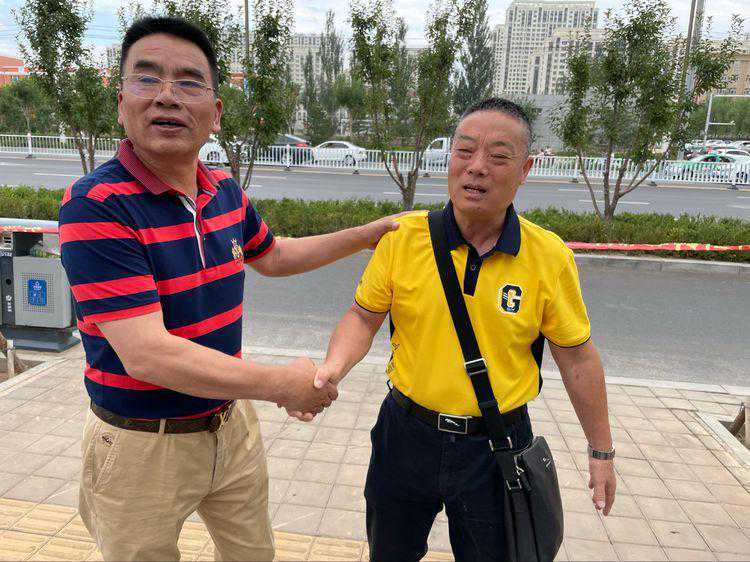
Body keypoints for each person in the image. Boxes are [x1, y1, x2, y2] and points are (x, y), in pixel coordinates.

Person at [58, 16, 399, 562]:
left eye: (188, 81)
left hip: (229, 426)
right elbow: (148, 355)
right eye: (147, 77)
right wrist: (282, 384)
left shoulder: (223, 190)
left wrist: (367, 234)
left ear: (215, 112)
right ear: (121, 101)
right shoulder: (97, 205)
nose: (167, 96)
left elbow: (275, 256)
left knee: (252, 554)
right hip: (141, 445)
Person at [307, 98, 617, 561]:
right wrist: (333, 367)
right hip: (405, 434)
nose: (476, 167)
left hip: (497, 446)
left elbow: (576, 357)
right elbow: (363, 316)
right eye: (465, 151)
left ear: (525, 170)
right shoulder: (404, 238)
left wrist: (602, 451)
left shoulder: (548, 257)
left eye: (498, 157)